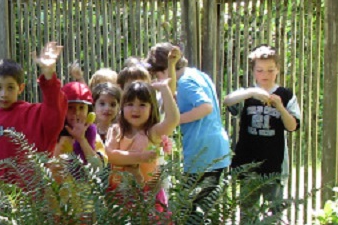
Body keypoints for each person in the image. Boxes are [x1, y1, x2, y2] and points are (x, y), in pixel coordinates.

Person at [146, 42, 231, 222]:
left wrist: (175, 119)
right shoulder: (196, 73)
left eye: (157, 73)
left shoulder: (185, 82)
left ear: (164, 70)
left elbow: (206, 107)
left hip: (204, 151)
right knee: (199, 209)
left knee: (191, 212)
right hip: (216, 148)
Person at [0, 42, 67, 181]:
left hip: (23, 199)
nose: (4, 94)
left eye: (10, 88)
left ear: (20, 88)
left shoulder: (31, 114)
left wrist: (49, 76)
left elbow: (54, 115)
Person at [223, 45, 301, 222]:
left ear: (278, 70)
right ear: (253, 71)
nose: (265, 74)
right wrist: (251, 92)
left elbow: (292, 126)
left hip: (275, 166)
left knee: (275, 215)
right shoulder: (247, 95)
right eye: (260, 70)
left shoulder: (286, 94)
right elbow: (227, 102)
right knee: (247, 215)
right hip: (248, 164)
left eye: (270, 70)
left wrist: (280, 107)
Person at [106, 81, 179, 210]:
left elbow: (172, 120)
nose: (135, 109)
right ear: (122, 107)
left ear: (152, 109)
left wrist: (165, 89)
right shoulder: (117, 131)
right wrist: (140, 157)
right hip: (119, 196)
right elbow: (111, 155)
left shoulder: (152, 133)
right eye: (130, 104)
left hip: (148, 198)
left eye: (142, 105)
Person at [53, 81, 106, 167]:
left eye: (81, 108)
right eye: (70, 107)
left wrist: (82, 140)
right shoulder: (53, 135)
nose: (76, 112)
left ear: (88, 111)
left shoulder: (94, 136)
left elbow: (98, 167)